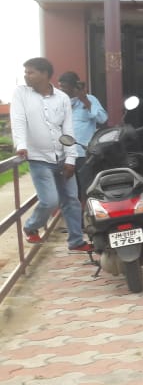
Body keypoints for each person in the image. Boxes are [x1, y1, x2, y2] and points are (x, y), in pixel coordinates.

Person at [11, 57, 91, 252]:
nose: (26, 75)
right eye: (26, 72)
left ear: (45, 74)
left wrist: (71, 159)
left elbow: (68, 129)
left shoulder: (62, 98)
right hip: (39, 158)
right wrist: (21, 145)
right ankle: (31, 227)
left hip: (62, 157)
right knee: (50, 200)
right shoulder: (21, 93)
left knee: (71, 200)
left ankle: (76, 241)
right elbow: (18, 120)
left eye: (31, 72)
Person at [57, 71, 108, 201]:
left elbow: (102, 119)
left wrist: (84, 100)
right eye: (60, 86)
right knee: (69, 192)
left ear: (74, 86)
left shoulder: (90, 99)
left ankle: (88, 217)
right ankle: (76, 220)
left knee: (87, 189)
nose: (62, 90)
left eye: (65, 87)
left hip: (83, 155)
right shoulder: (59, 102)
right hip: (65, 155)